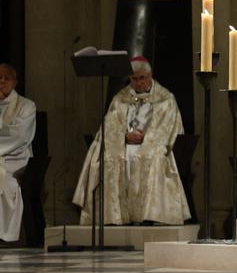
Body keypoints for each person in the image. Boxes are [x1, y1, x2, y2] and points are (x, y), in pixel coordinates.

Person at [73, 56, 190, 225]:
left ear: (150, 75)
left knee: (150, 157)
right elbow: (109, 127)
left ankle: (149, 216)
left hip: (152, 145)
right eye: (134, 79)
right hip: (125, 144)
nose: (138, 83)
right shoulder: (120, 98)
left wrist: (146, 138)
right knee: (108, 157)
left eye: (142, 78)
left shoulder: (165, 99)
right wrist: (125, 137)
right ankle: (114, 217)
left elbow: (168, 129)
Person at [0, 64, 36, 242]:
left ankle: (5, 234)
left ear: (15, 82)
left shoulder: (27, 106)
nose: (2, 81)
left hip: (16, 158)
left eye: (6, 78)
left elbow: (20, 135)